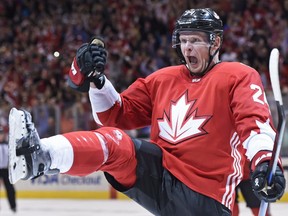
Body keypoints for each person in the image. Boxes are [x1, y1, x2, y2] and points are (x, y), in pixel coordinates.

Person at [8, 8, 286, 216]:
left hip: (206, 197)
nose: (188, 47)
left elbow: (255, 122)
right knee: (115, 143)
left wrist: (264, 162)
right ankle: (40, 156)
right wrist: (97, 81)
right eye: (184, 40)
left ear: (215, 44)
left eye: (196, 40)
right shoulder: (163, 79)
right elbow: (115, 115)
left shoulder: (237, 75)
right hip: (161, 176)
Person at [0, 127, 16, 213]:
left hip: (6, 169)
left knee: (10, 188)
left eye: (1, 134)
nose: (0, 136)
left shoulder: (8, 145)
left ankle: (13, 206)